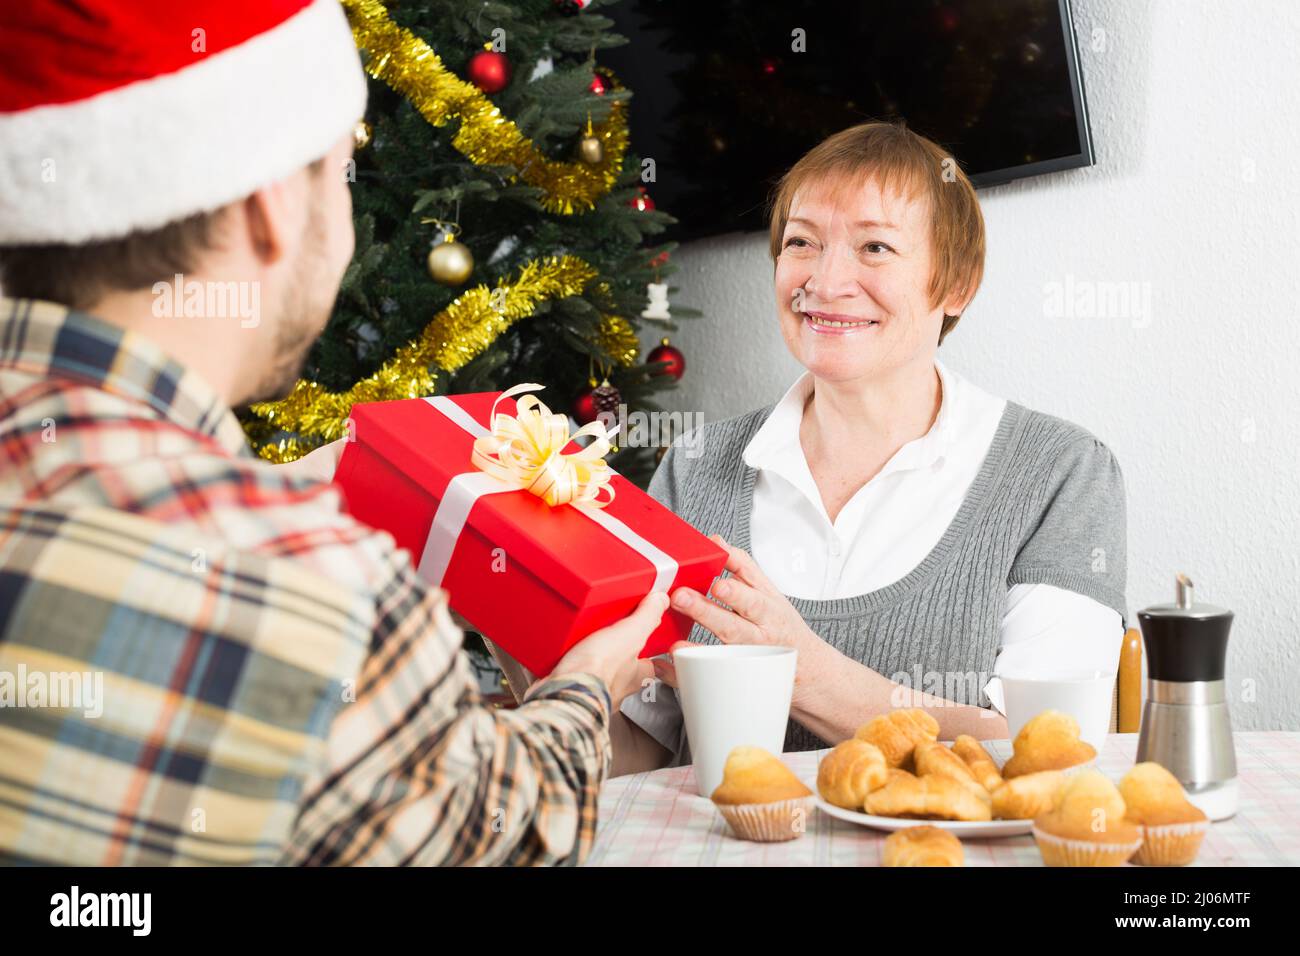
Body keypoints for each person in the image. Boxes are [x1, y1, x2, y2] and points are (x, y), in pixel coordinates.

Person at [0, 0, 666, 866]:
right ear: (269, 207)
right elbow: (494, 830)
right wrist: (585, 689)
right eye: (339, 169)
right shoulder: (315, 586)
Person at [615, 121, 1128, 771]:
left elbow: (1050, 752)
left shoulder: (1061, 473)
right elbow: (645, 761)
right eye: (801, 241)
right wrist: (538, 653)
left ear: (957, 285)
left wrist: (801, 672)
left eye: (875, 247)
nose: (825, 283)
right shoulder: (692, 468)